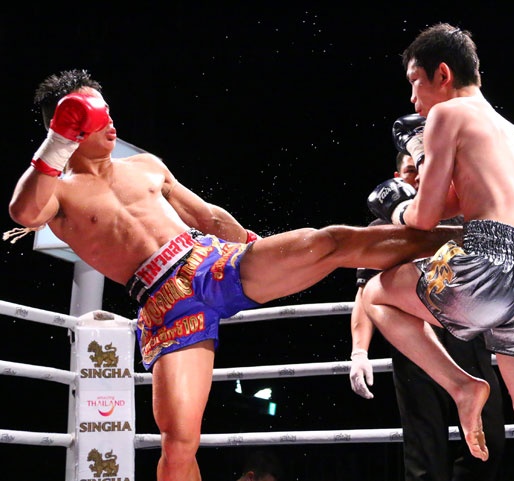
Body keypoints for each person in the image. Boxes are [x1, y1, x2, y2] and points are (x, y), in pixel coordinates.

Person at [7, 70, 464, 481]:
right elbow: (23, 212)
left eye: (107, 111)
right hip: (166, 305)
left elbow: (205, 215)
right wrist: (57, 143)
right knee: (178, 445)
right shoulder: (59, 195)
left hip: (213, 263)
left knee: (328, 242)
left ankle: (466, 236)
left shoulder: (144, 166)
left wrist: (256, 246)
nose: (111, 123)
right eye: (94, 116)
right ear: (70, 127)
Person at [360, 23, 514, 479]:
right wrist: (414, 193)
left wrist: (396, 206)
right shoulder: (509, 130)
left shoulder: (446, 114)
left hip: (488, 263)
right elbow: (458, 202)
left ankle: (460, 386)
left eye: (415, 82)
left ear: (442, 74)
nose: (413, 99)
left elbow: (424, 218)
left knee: (376, 294)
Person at [349, 151, 505, 480]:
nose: (417, 178)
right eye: (409, 171)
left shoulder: (464, 216)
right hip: (414, 346)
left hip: (469, 341)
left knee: (488, 443)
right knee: (424, 454)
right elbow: (366, 293)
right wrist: (359, 351)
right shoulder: (381, 226)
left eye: (424, 168)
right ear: (398, 177)